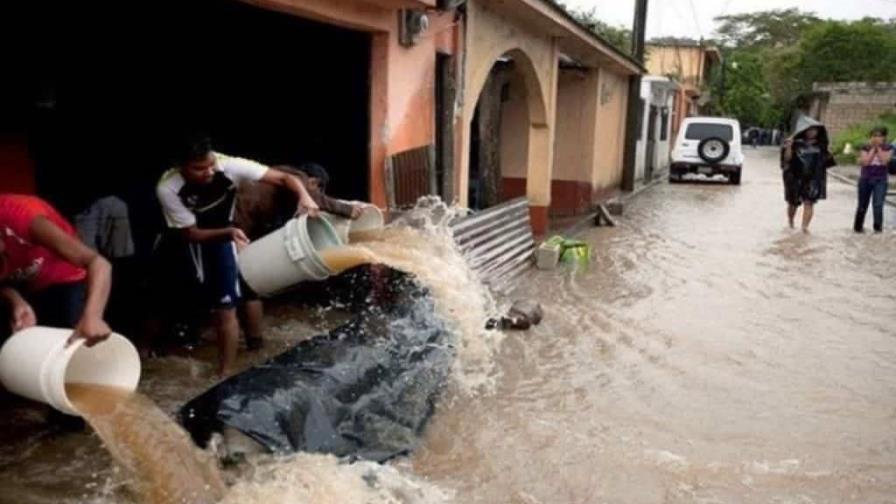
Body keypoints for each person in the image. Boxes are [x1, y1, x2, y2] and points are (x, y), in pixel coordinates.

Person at [156, 133, 320, 376]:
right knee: (164, 296)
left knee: (227, 307)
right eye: (199, 168)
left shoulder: (228, 165)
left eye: (211, 164)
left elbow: (285, 177)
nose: (209, 172)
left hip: (224, 238)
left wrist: (304, 196)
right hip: (188, 238)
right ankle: (149, 350)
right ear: (181, 167)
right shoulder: (168, 187)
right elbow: (191, 234)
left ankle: (224, 373)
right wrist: (229, 232)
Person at [0, 194, 113, 345]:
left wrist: (93, 316)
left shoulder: (24, 216)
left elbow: (99, 263)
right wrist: (15, 300)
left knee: (70, 343)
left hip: (63, 275)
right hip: (21, 280)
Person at [781, 116, 835, 233]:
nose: (812, 132)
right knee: (793, 203)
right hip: (796, 177)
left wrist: (830, 153)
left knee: (809, 202)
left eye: (814, 130)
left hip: (813, 179)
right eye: (809, 129)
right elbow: (787, 160)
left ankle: (804, 227)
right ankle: (790, 222)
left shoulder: (821, 145)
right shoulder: (795, 143)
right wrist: (789, 147)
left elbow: (827, 162)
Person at [854, 127, 892, 233]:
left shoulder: (888, 148)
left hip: (880, 180)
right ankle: (858, 228)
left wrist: (879, 149)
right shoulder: (865, 147)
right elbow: (866, 162)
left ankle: (877, 228)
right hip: (865, 179)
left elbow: (884, 161)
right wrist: (872, 149)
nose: (876, 138)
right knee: (862, 205)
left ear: (884, 137)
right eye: (874, 136)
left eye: (879, 136)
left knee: (878, 204)